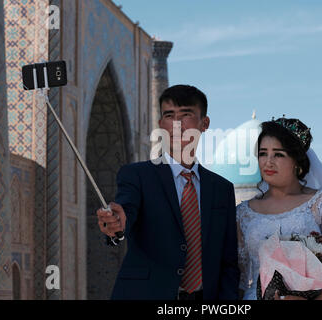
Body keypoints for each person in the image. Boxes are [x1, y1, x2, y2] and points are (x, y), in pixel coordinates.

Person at [96, 85, 239, 300]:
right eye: (169, 116)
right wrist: (117, 224)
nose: (177, 125)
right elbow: (126, 210)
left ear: (204, 123)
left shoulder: (221, 189)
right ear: (161, 124)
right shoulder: (137, 175)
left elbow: (228, 260)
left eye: (186, 115)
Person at [236, 117, 322, 300]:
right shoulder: (243, 213)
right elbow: (240, 278)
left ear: (296, 160)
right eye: (262, 153)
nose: (268, 162)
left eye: (278, 154)